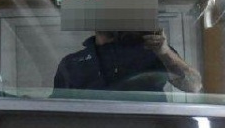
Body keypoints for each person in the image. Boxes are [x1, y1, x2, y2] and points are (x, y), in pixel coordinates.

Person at [52, 30, 202, 94]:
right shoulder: (71, 62)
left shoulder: (151, 49)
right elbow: (59, 109)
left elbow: (193, 85)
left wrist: (165, 52)